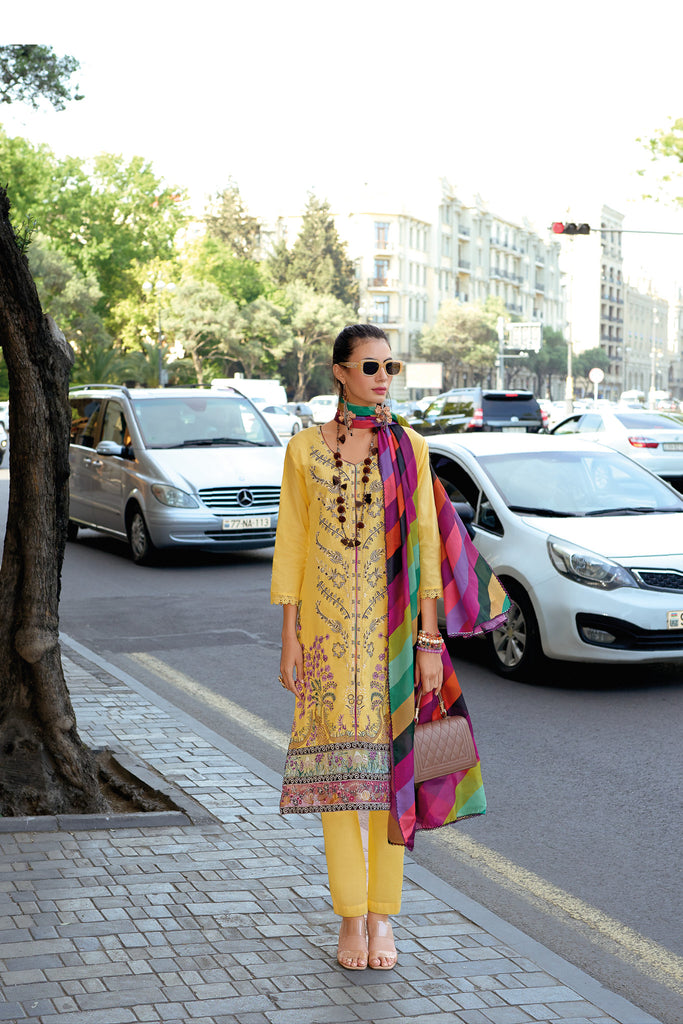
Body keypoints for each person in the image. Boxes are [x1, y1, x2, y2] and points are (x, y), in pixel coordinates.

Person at [271, 324, 508, 972]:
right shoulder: (301, 453)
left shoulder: (409, 447)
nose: (382, 376)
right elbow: (290, 545)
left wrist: (430, 642)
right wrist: (288, 637)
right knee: (337, 790)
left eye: (390, 366)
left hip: (395, 643)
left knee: (390, 785)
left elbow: (428, 549)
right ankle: (349, 918)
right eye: (370, 365)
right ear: (340, 372)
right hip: (323, 646)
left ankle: (381, 919)